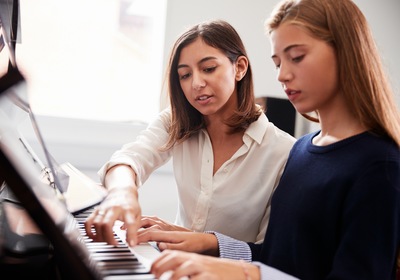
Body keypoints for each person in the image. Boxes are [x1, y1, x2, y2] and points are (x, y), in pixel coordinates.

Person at [135, 0, 400, 279]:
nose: (282, 75)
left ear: (346, 52)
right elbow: (276, 259)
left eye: (296, 57)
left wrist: (248, 274)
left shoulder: (379, 165)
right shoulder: (302, 151)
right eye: (277, 62)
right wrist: (207, 243)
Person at [84, 19, 296, 246]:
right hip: (172, 264)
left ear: (240, 68)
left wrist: (195, 240)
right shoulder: (177, 122)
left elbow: (269, 254)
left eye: (208, 69)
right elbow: (130, 158)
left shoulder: (283, 152)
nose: (196, 83)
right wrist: (122, 193)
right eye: (185, 75)